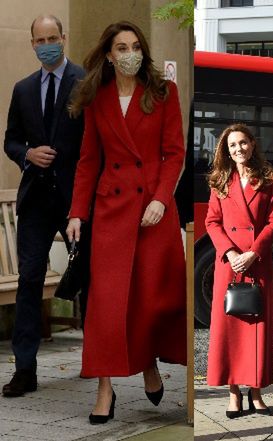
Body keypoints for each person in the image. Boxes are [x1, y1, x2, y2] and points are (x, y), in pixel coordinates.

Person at [65, 21, 186, 424]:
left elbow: (175, 153)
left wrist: (160, 199)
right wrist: (77, 213)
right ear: (109, 55)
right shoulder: (97, 98)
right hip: (112, 212)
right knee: (106, 303)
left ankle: (149, 362)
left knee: (151, 298)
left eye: (135, 46)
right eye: (121, 47)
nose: (129, 53)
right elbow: (88, 161)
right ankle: (105, 388)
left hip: (153, 212)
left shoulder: (163, 92)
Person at [2, 14, 86, 398]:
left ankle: (97, 361)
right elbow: (11, 140)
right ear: (32, 43)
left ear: (63, 38)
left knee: (88, 277)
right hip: (35, 200)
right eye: (41, 39)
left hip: (75, 201)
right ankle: (25, 369)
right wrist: (27, 155)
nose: (48, 44)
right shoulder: (22, 89)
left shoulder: (85, 83)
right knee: (29, 281)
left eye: (54, 37)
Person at [205, 124, 273, 418]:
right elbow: (212, 222)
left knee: (257, 328)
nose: (238, 149)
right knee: (230, 330)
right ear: (226, 149)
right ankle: (234, 393)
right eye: (232, 145)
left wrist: (253, 252)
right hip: (229, 264)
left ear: (252, 144)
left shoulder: (271, 177)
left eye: (243, 143)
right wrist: (231, 252)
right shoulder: (219, 180)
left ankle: (257, 392)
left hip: (257, 262)